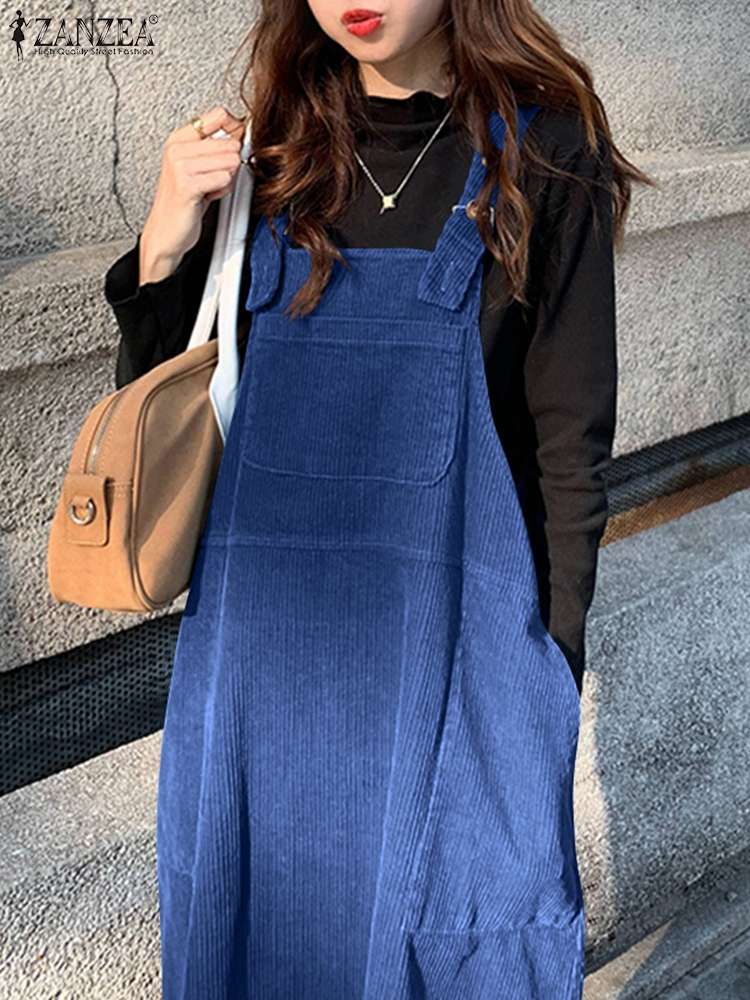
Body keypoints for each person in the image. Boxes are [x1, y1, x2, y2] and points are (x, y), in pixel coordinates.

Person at [104, 2, 650, 996]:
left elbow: (570, 448)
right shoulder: (266, 165)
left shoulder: (545, 156)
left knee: (459, 947)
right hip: (257, 691)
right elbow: (153, 436)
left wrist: (545, 674)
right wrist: (164, 244)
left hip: (457, 669)